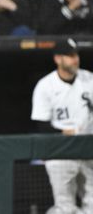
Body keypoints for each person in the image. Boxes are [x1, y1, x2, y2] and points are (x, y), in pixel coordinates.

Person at [31, 38, 93, 214]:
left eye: (76, 55)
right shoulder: (45, 85)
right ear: (58, 59)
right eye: (70, 55)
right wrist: (62, 131)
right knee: (65, 206)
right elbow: (41, 123)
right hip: (60, 150)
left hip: (88, 149)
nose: (75, 59)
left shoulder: (89, 79)